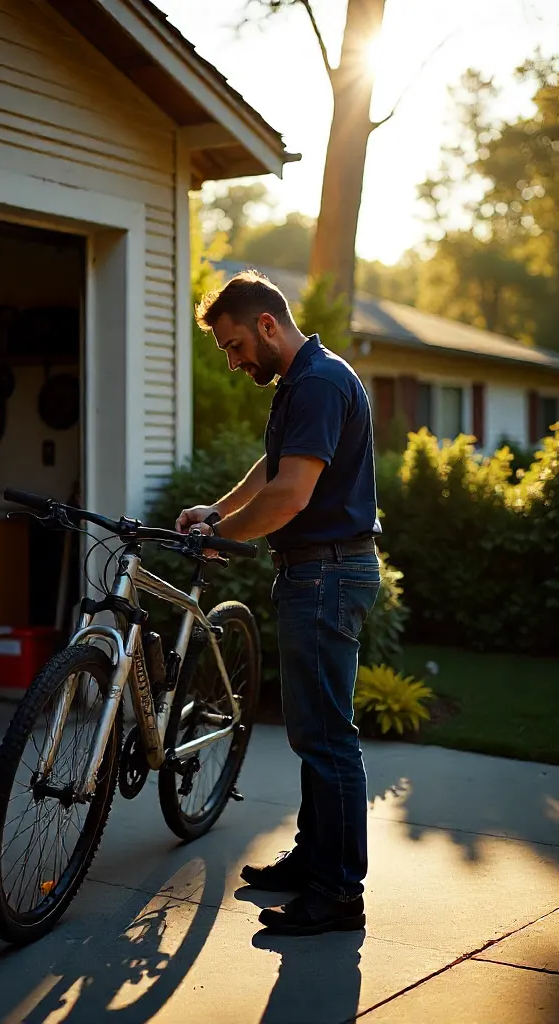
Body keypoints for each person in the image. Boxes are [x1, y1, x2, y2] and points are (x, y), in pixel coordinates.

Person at [177, 270, 381, 937]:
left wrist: (220, 539)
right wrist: (218, 512)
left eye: (234, 346)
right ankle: (315, 860)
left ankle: (338, 893)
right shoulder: (303, 381)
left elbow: (291, 495)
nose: (234, 363)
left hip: (327, 573)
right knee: (312, 732)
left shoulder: (317, 383)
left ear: (267, 325)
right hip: (317, 572)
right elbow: (273, 470)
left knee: (326, 738)